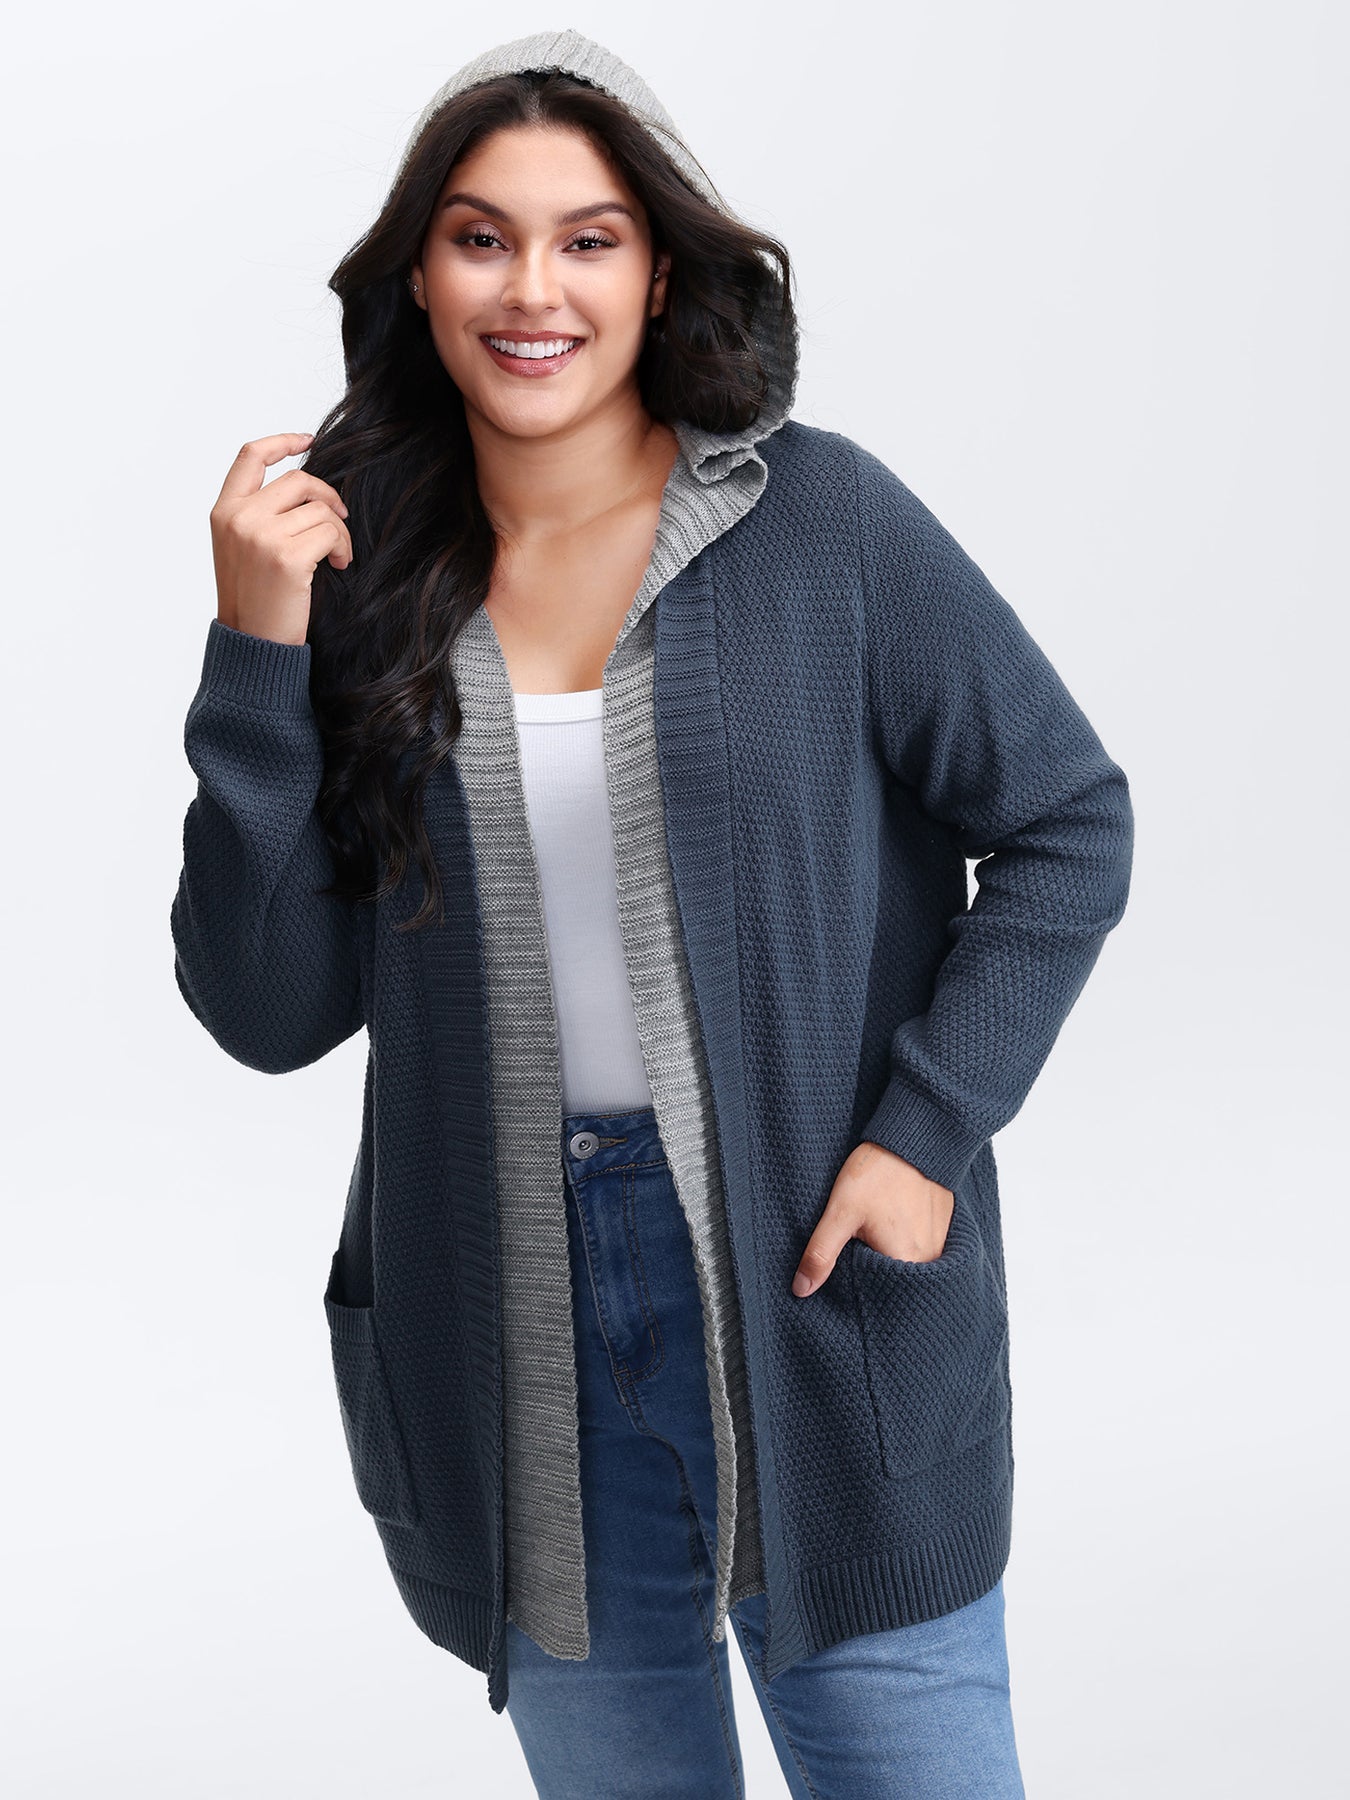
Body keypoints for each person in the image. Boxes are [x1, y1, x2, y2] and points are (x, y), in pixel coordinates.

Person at [171, 28, 1134, 1799]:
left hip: (815, 1276)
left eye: (588, 239)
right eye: (480, 237)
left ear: (661, 271)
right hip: (509, 1318)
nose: (531, 289)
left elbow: (1065, 819)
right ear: (418, 275)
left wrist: (923, 1135)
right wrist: (255, 653)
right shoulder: (355, 573)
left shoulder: (819, 520)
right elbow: (268, 1008)